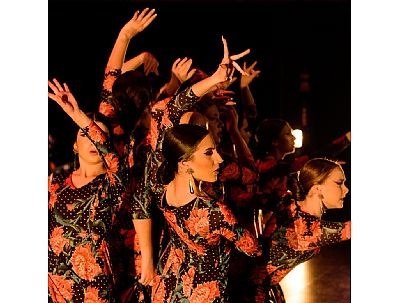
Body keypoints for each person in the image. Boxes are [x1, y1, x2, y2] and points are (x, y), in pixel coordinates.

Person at [151, 124, 262, 303]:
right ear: (184, 161)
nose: (219, 159)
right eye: (209, 153)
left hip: (167, 289)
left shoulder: (161, 191)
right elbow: (253, 249)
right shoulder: (215, 212)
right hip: (202, 295)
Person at [48, 79, 129, 303]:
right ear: (74, 144)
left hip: (97, 289)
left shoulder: (113, 181)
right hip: (55, 287)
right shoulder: (53, 183)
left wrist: (79, 116)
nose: (93, 141)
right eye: (85, 135)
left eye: (98, 136)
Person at [245, 158, 351, 303]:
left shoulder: (287, 201)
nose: (346, 189)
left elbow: (245, 199)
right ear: (317, 188)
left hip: (259, 287)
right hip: (249, 293)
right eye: (339, 183)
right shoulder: (308, 229)